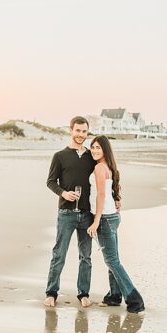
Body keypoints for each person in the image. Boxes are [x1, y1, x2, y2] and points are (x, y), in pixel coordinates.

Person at [44, 116, 114, 308]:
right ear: (71, 130)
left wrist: (116, 197)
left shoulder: (92, 158)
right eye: (78, 131)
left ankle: (83, 293)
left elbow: (106, 177)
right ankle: (51, 293)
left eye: (84, 132)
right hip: (66, 213)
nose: (81, 135)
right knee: (59, 254)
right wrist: (63, 193)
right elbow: (50, 182)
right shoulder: (59, 156)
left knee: (86, 256)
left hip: (86, 214)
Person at [87, 135, 145, 313]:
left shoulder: (99, 168)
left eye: (98, 147)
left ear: (105, 150)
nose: (95, 150)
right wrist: (117, 201)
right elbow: (112, 192)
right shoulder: (109, 167)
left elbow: (101, 195)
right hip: (113, 216)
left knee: (111, 260)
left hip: (105, 218)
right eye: (93, 147)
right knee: (113, 260)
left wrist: (95, 221)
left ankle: (135, 299)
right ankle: (114, 296)